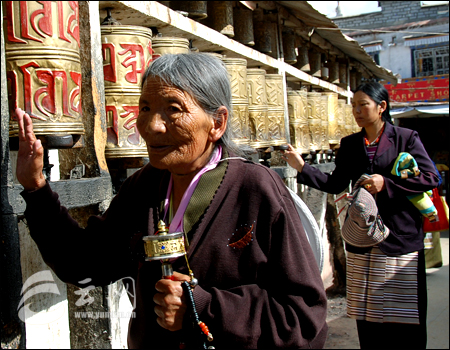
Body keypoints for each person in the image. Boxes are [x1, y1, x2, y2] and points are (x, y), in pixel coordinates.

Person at [15, 53, 328, 349]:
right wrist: (36, 187)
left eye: (173, 109)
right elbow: (84, 262)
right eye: (145, 108)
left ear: (217, 123)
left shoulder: (255, 189)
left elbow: (302, 317)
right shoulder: (144, 186)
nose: (152, 127)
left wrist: (201, 306)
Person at [282, 81, 439, 349]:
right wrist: (302, 167)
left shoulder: (405, 138)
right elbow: (335, 184)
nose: (356, 110)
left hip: (399, 240)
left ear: (381, 107)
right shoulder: (351, 144)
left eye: (362, 104)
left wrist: (386, 184)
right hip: (363, 240)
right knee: (370, 319)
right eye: (353, 105)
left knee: (405, 320)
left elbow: (430, 177)